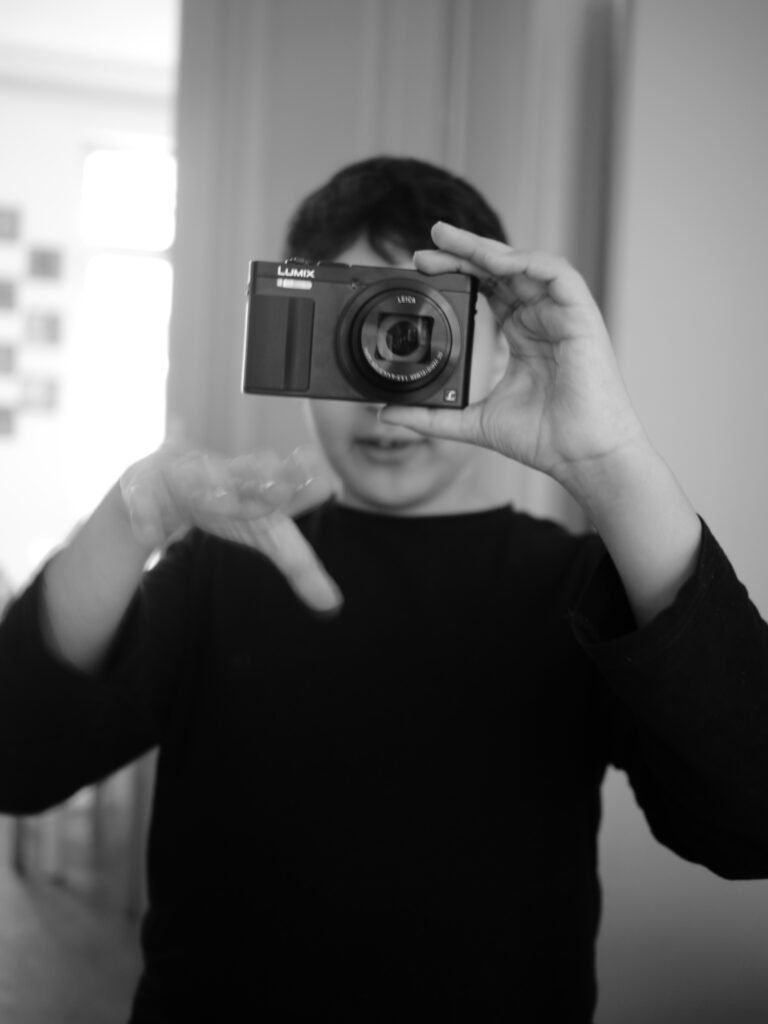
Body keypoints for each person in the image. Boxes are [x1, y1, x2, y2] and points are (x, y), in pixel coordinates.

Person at [1, 155, 767, 1023]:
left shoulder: (582, 588)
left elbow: (751, 823)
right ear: (300, 337)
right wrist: (131, 515)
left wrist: (610, 463)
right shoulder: (223, 570)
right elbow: (18, 760)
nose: (385, 370)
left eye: (421, 325)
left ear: (497, 344)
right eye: (353, 325)